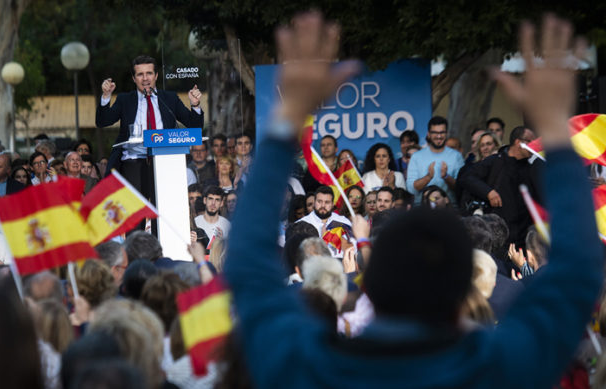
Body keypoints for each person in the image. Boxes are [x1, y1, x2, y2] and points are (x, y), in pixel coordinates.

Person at [224, 12, 602, 389]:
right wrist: (555, 129)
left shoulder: (311, 368)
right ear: (466, 288)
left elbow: (247, 270)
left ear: (369, 284)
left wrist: (285, 124)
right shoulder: (504, 365)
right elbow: (578, 272)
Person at [96, 55, 204, 203]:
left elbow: (195, 127)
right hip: (134, 161)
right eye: (140, 74)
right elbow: (103, 121)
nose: (145, 78)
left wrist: (195, 105)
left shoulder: (170, 98)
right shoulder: (125, 100)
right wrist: (106, 96)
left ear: (156, 76)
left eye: (149, 73)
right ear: (134, 78)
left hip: (165, 160)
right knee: (136, 212)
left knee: (165, 209)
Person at [458, 126, 541, 247]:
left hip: (523, 235)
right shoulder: (495, 161)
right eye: (531, 141)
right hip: (497, 234)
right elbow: (467, 178)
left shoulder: (532, 166)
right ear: (519, 142)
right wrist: (488, 192)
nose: (534, 145)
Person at [406, 116, 464, 204]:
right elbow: (411, 189)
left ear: (447, 133)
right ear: (428, 134)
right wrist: (428, 177)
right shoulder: (416, 156)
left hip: (450, 209)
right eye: (435, 133)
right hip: (422, 209)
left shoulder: (456, 156)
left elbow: (462, 188)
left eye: (442, 132)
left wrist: (446, 177)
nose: (439, 136)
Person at [296, 185, 352, 258]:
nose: (323, 205)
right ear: (314, 202)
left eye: (327, 202)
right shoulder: (301, 224)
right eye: (319, 201)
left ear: (332, 204)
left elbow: (353, 249)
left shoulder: (343, 222)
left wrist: (331, 238)